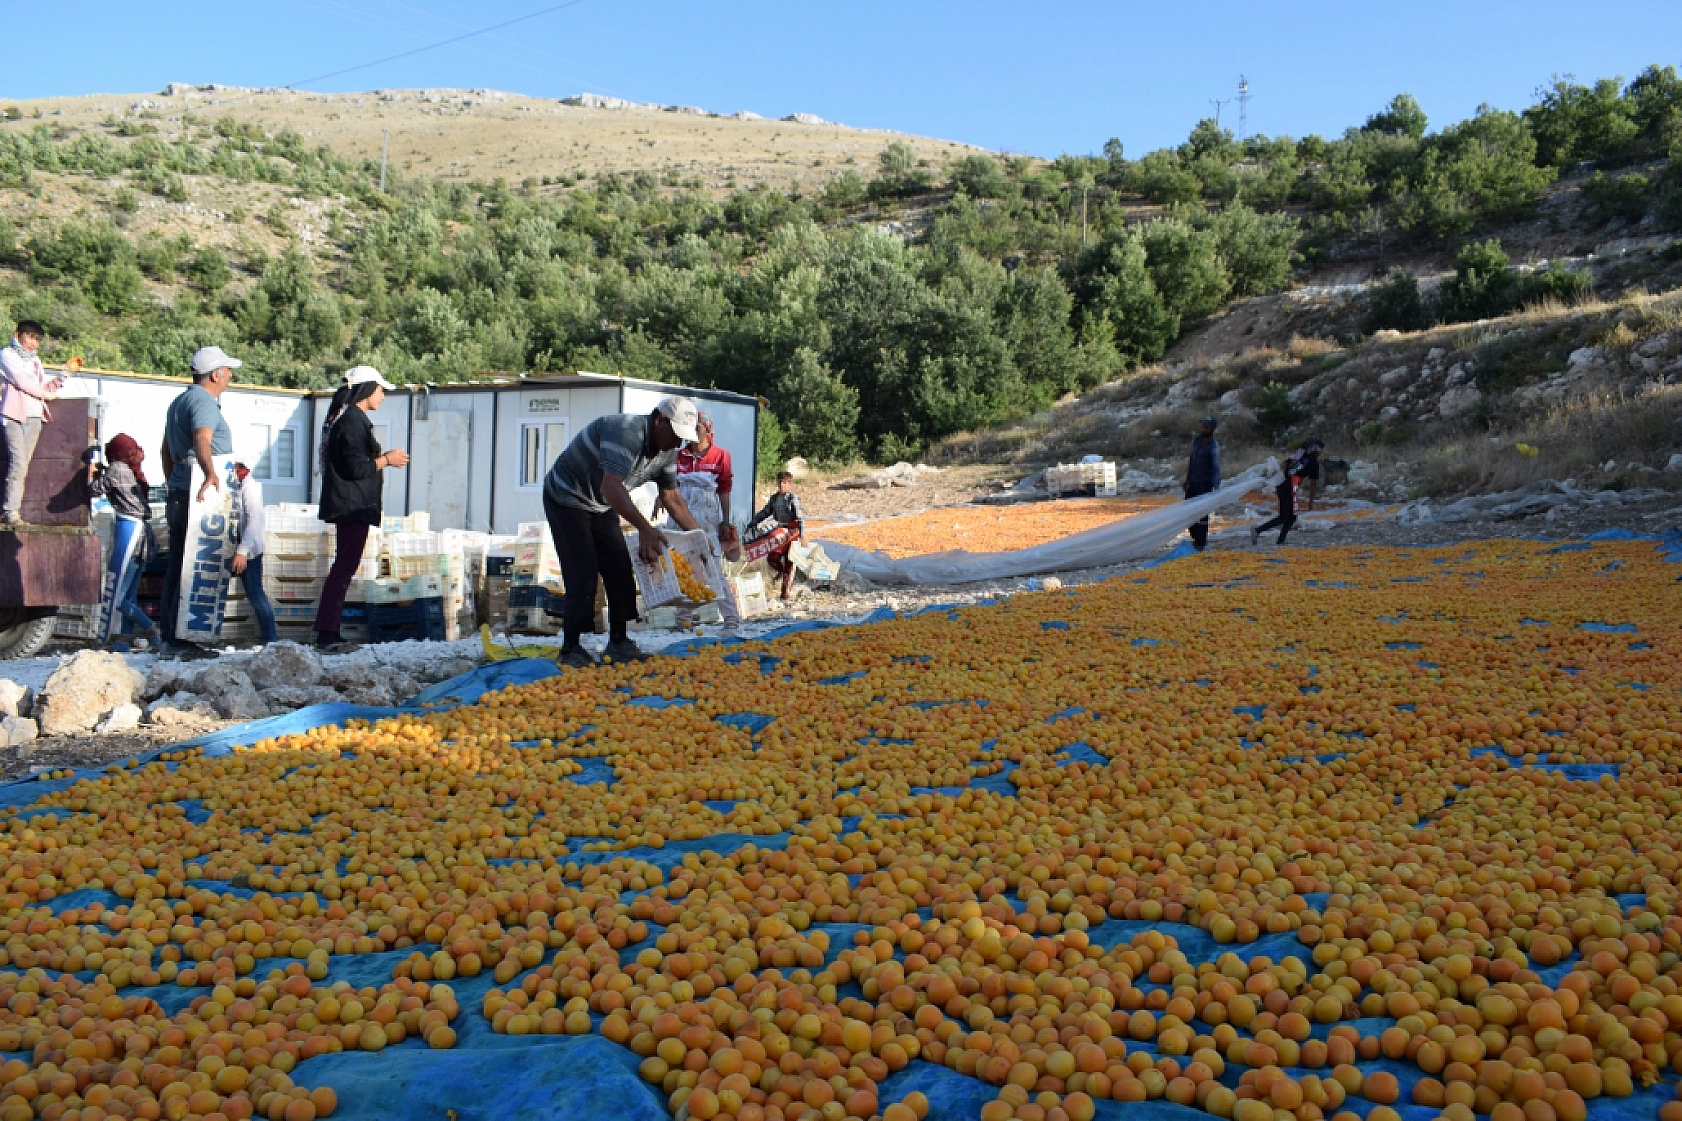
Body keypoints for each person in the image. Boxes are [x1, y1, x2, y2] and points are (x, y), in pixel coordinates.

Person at [543, 395, 706, 670]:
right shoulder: (626, 433)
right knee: (583, 570)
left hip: (601, 502)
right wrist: (644, 528)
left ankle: (619, 642)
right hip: (567, 496)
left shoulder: (667, 450)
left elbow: (671, 496)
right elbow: (611, 486)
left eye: (683, 438)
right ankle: (570, 648)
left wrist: (698, 537)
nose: (678, 443)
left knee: (619, 566)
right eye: (676, 434)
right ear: (659, 421)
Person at [314, 366, 408, 653]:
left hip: (352, 504)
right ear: (366, 390)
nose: (383, 396)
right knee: (344, 567)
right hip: (352, 505)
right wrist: (387, 459)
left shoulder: (351, 419)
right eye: (380, 390)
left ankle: (329, 631)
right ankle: (327, 634)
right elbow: (357, 468)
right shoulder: (353, 422)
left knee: (344, 566)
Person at [159, 346, 238, 658]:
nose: (230, 375)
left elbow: (165, 449)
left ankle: (170, 637)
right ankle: (181, 640)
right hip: (198, 492)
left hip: (182, 487)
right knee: (192, 567)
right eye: (227, 370)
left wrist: (173, 480)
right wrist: (209, 473)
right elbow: (202, 439)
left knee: (177, 566)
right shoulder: (203, 401)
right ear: (215, 375)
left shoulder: (179, 401)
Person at [86, 433, 160, 649]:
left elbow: (94, 490)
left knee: (117, 597)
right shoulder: (130, 470)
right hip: (143, 536)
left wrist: (90, 473)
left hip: (130, 534)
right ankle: (124, 639)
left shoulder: (117, 468)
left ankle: (153, 629)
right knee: (129, 594)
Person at [1, 320, 65, 528]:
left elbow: (41, 388)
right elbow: (20, 382)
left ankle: (12, 510)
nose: (33, 343)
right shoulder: (7, 354)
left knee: (23, 465)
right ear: (17, 335)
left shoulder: (36, 361)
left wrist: (63, 375)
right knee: (18, 463)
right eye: (30, 337)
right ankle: (10, 512)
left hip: (35, 416)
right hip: (13, 415)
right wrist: (45, 394)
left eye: (37, 340)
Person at [673, 412, 739, 551]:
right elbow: (670, 486)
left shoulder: (721, 456)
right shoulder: (678, 456)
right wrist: (660, 498)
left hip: (707, 518)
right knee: (679, 554)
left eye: (697, 428)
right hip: (680, 515)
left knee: (707, 552)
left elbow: (724, 490)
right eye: (690, 427)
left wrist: (726, 521)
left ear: (708, 431)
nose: (693, 432)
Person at [230, 462, 279, 647]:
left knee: (255, 592)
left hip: (248, 549)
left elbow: (254, 521)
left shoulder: (249, 486)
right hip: (230, 546)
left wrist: (242, 551)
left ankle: (270, 637)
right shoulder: (233, 485)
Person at [748, 471, 807, 601]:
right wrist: (753, 522)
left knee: (790, 561)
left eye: (785, 483)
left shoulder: (792, 499)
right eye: (780, 482)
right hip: (780, 532)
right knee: (772, 558)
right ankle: (781, 572)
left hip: (792, 532)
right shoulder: (774, 499)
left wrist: (803, 536)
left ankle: (785, 595)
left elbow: (800, 518)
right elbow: (765, 512)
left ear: (789, 484)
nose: (782, 485)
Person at [1251, 446, 1308, 547]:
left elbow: (1284, 468)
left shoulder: (1296, 459)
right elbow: (1312, 483)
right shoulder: (1307, 461)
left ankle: (1280, 540)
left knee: (1291, 517)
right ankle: (1258, 530)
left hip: (1285, 488)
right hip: (1288, 489)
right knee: (1285, 517)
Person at [1182, 416, 1221, 551]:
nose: (1204, 429)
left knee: (1202, 513)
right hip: (1193, 481)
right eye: (1203, 426)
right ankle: (1195, 536)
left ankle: (1201, 542)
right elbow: (1192, 460)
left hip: (1205, 483)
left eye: (1207, 427)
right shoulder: (1197, 440)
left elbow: (1215, 467)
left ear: (1212, 429)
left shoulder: (1213, 446)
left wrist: (1216, 486)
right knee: (1188, 511)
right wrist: (1187, 479)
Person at [1298, 437, 1323, 511]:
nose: (1320, 453)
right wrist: (1310, 503)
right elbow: (1313, 483)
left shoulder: (1300, 458)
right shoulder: (1313, 463)